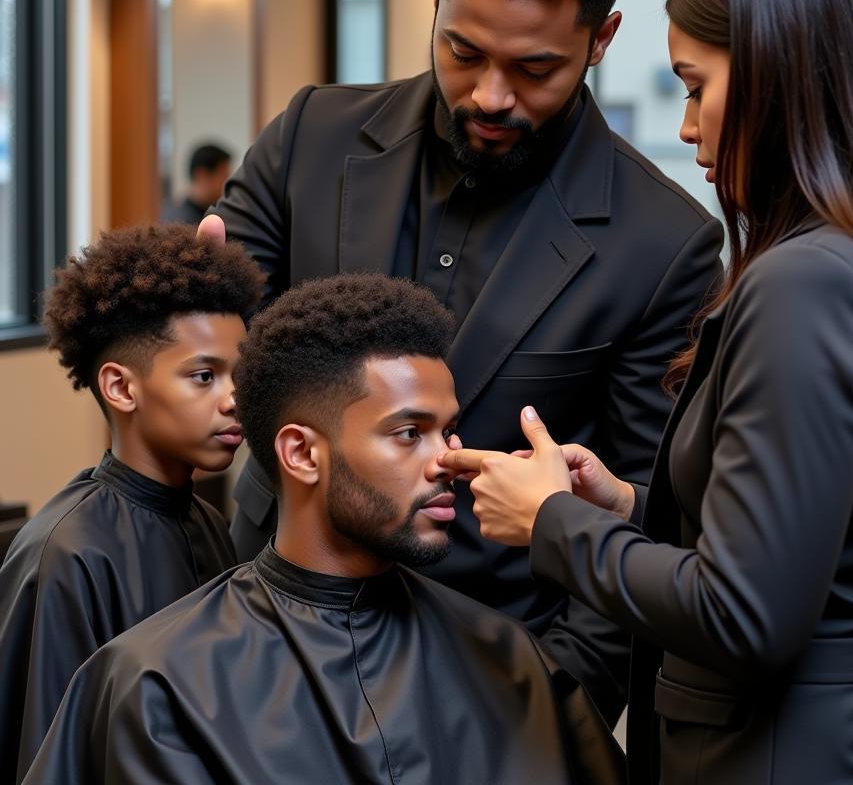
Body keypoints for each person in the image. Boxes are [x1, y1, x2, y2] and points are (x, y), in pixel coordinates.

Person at [440, 0, 853, 784]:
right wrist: (630, 510)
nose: (685, 125)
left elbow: (748, 616)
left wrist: (551, 523)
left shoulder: (809, 283)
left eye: (695, 86)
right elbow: (840, 548)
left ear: (783, 76)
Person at [208, 0, 723, 718]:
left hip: (491, 680)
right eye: (463, 50)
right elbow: (219, 356)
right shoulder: (310, 137)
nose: (491, 95)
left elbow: (638, 521)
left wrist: (551, 714)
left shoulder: (665, 244)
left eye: (535, 69)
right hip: (266, 644)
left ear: (600, 39)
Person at [24, 274, 626, 785]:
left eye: (448, 431)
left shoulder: (510, 660)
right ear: (302, 454)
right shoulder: (158, 687)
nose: (448, 460)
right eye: (409, 433)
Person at [0, 224, 263, 783]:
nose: (234, 399)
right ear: (121, 388)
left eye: (240, 375)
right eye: (203, 376)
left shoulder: (208, 522)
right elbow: (49, 757)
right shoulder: (66, 555)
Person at [163, 142, 233, 225]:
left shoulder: (211, 215)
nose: (227, 184)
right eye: (224, 176)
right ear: (201, 175)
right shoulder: (181, 222)